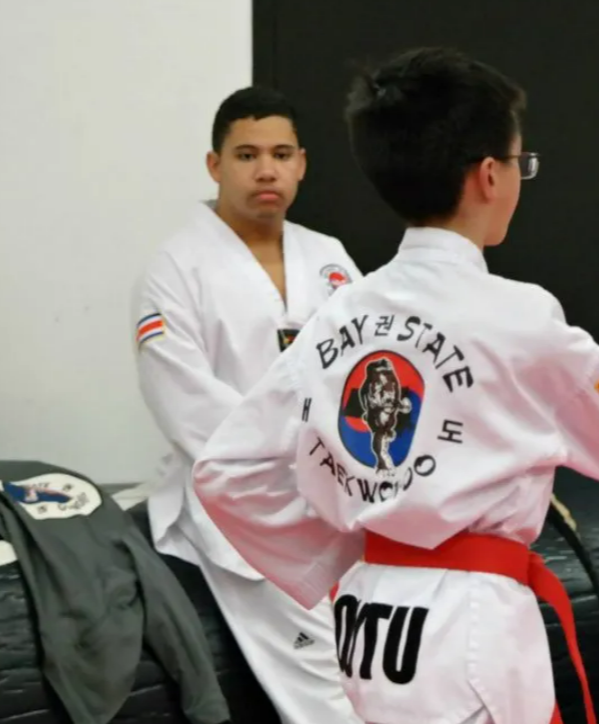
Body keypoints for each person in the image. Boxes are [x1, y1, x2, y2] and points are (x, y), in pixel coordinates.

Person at [190, 47, 599, 724]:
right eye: (519, 163)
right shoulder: (518, 319)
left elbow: (226, 471)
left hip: (366, 619)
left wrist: (356, 550)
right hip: (467, 627)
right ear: (488, 175)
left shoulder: (340, 313)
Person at [131, 86, 363, 724]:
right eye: (247, 154)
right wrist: (294, 472)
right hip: (237, 499)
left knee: (385, 653)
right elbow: (182, 400)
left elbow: (366, 380)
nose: (267, 170)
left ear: (302, 164)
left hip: (339, 491)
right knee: (327, 684)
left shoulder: (331, 260)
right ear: (216, 166)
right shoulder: (176, 268)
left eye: (282, 154)